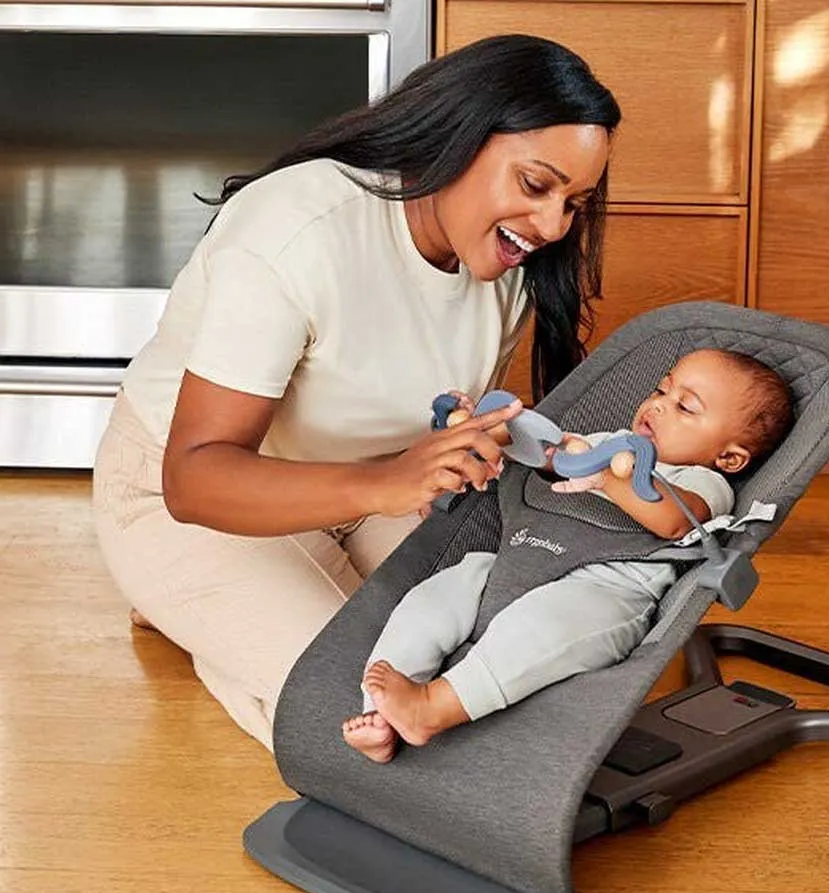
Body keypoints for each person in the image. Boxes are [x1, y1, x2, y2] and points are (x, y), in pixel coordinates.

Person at [91, 35, 622, 749]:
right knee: (367, 712)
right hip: (191, 500)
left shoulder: (505, 266)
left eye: (573, 203)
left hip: (368, 495)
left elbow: (421, 415)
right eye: (535, 185)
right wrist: (387, 482)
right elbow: (193, 479)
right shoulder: (299, 230)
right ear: (460, 138)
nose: (555, 226)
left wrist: (466, 445)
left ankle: (214, 611)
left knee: (480, 669)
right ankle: (191, 601)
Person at [342, 348, 794, 763]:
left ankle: (433, 706)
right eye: (661, 390)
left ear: (729, 459)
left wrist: (608, 477)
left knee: (538, 630)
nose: (658, 405)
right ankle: (380, 715)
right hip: (518, 558)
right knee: (436, 596)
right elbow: (551, 454)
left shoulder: (703, 483)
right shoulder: (611, 440)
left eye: (685, 407)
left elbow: (674, 522)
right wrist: (493, 428)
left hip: (603, 588)